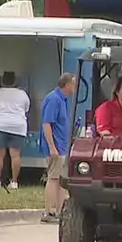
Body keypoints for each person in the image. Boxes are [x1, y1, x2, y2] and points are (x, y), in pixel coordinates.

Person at [40, 73, 76, 223]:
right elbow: (47, 123)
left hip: (62, 146)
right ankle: (49, 212)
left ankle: (61, 210)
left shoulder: (63, 100)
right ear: (66, 85)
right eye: (73, 84)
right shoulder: (54, 99)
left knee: (61, 181)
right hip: (56, 147)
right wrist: (52, 147)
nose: (75, 87)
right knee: (53, 178)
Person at [0, 71, 31, 189]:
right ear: (15, 81)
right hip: (18, 126)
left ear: (2, 81)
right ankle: (14, 182)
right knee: (15, 155)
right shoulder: (22, 94)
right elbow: (26, 109)